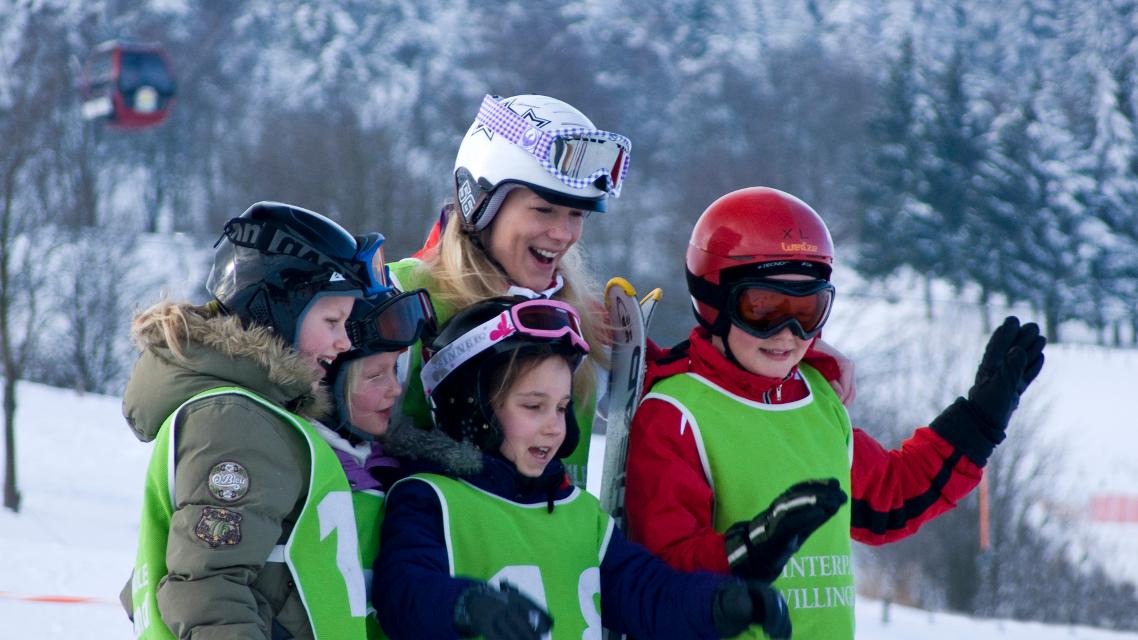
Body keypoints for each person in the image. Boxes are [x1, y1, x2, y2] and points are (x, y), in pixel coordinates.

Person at [624, 187, 1047, 639]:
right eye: (762, 310)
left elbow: (889, 499)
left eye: (807, 311)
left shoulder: (818, 401)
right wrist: (749, 548)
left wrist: (978, 423)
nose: (788, 334)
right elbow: (664, 573)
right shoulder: (678, 413)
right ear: (714, 302)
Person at [374, 296, 843, 640]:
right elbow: (403, 590)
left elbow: (649, 594)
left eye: (562, 408)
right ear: (471, 409)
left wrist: (725, 602)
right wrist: (465, 606)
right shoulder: (429, 499)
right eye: (533, 406)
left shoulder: (581, 516)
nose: (555, 427)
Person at [120, 201, 390, 639]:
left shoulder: (257, 415)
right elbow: (207, 588)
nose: (344, 342)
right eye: (332, 320)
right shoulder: (235, 422)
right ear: (276, 311)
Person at [387, 93, 630, 487]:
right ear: (483, 203)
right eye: (544, 210)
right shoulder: (404, 297)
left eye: (577, 214)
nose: (564, 234)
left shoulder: (587, 322)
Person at [315, 283, 439, 639]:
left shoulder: (397, 470)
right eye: (375, 375)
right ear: (328, 384)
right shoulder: (304, 467)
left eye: (395, 368)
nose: (396, 388)